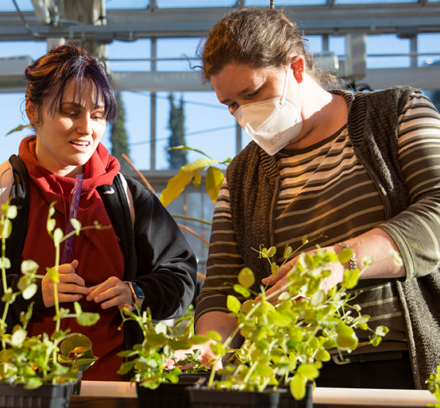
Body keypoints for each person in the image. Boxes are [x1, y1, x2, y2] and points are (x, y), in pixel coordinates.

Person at [183, 7, 440, 390]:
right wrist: (205, 347)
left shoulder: (396, 113)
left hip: (401, 369)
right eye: (231, 104)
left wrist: (338, 261)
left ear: (297, 68)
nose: (244, 113)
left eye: (253, 93)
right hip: (293, 378)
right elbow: (221, 288)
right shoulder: (242, 176)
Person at [0, 44, 197, 396]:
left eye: (98, 114)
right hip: (18, 394)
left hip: (114, 395)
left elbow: (181, 274)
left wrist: (137, 292)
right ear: (32, 110)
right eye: (71, 112)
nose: (87, 128)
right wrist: (33, 292)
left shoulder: (127, 198)